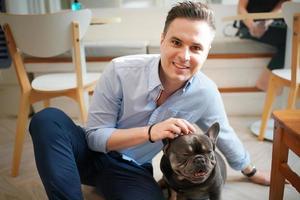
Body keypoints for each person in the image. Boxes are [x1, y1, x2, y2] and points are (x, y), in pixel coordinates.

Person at [29, 2, 269, 200]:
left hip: (131, 171)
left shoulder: (206, 93)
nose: (184, 56)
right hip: (86, 156)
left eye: (196, 48)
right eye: (176, 42)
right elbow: (93, 136)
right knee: (47, 119)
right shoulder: (120, 70)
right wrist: (151, 132)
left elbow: (223, 135)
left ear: (206, 52)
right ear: (163, 39)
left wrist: (251, 170)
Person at [236, 0, 290, 91]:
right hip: (248, 25)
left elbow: (281, 6)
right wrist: (252, 26)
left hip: (272, 23)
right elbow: (241, 8)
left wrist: (267, 22)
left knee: (293, 36)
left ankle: (268, 81)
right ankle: (265, 82)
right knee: (291, 37)